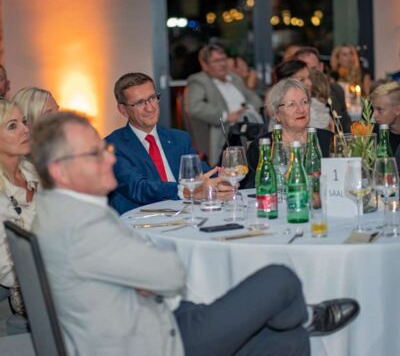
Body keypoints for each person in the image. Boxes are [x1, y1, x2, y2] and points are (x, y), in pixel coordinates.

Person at [30, 111, 359, 356]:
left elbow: (140, 270)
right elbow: (171, 273)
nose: (109, 159)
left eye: (105, 149)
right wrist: (147, 274)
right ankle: (307, 314)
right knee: (280, 279)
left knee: (291, 341)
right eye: (95, 153)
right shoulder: (82, 225)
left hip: (154, 315)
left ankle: (301, 320)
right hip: (152, 340)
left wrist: (142, 276)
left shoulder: (57, 209)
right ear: (60, 170)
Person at [105, 72, 228, 215]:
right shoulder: (112, 146)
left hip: (188, 215)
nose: (150, 108)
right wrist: (186, 191)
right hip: (142, 220)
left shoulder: (179, 138)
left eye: (152, 98)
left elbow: (201, 174)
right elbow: (139, 188)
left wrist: (221, 181)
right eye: (139, 103)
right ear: (123, 110)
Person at [244, 78, 333, 188]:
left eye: (304, 102)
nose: (301, 110)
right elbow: (251, 188)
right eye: (291, 104)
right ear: (276, 114)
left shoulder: (328, 140)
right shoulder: (262, 147)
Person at [186, 44, 263, 165]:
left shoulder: (233, 78)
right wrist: (226, 116)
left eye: (224, 59)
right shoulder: (199, 81)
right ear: (205, 65)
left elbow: (255, 99)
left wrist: (246, 109)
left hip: (248, 126)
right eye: (216, 61)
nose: (222, 64)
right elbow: (195, 107)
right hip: (225, 132)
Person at [0, 98, 39, 315]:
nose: (25, 129)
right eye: (12, 126)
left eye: (23, 122)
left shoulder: (33, 172)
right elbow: (9, 270)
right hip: (34, 289)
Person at [293, 46, 351, 132]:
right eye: (305, 71)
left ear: (321, 67)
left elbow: (346, 125)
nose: (310, 76)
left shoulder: (336, 90)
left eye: (314, 69)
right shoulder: (293, 100)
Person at [370, 82, 400, 158]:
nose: (374, 115)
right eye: (373, 109)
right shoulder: (373, 134)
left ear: (397, 110)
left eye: (380, 109)